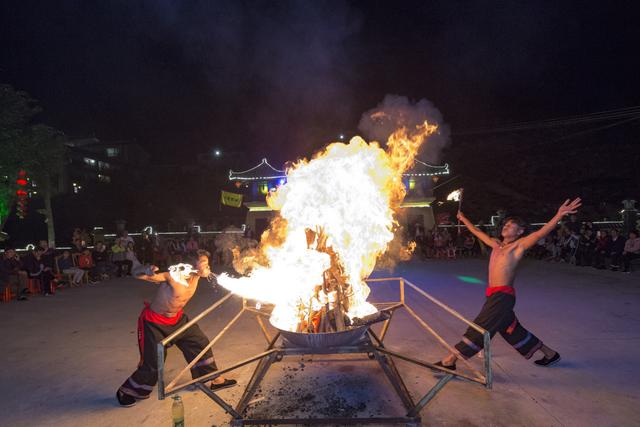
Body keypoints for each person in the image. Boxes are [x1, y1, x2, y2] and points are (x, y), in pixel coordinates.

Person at [434, 198, 582, 370]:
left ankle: (450, 360)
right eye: (505, 224)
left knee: (480, 327)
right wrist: (464, 219)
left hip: (503, 296)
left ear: (520, 232)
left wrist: (559, 214)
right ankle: (550, 354)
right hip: (493, 295)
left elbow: (540, 233)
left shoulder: (518, 246)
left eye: (511, 225)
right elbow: (475, 231)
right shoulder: (496, 245)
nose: (505, 226)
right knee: (513, 330)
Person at [117, 250, 236, 407]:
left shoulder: (196, 277)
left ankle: (213, 379)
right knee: (154, 362)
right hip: (154, 323)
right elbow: (137, 274)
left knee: (200, 342)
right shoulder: (173, 276)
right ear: (192, 265)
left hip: (178, 319)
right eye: (204, 263)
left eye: (207, 263)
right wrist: (144, 270)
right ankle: (127, 391)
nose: (207, 267)